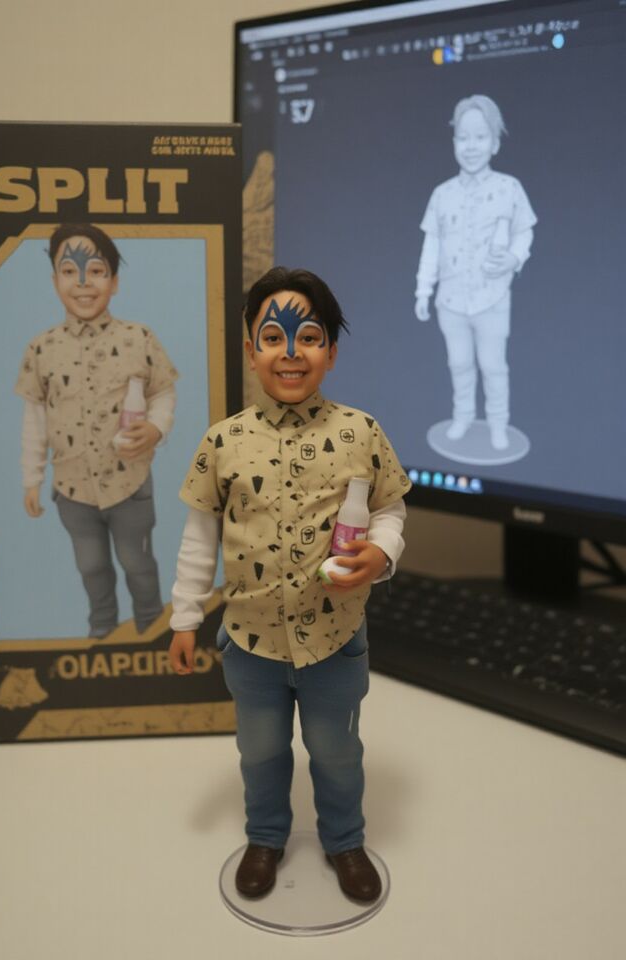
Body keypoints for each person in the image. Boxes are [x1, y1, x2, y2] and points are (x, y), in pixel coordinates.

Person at [169, 267, 411, 903]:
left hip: (335, 638)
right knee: (260, 750)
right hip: (250, 642)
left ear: (331, 351)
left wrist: (381, 553)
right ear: (252, 351)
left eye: (309, 336)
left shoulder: (361, 432)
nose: (291, 351)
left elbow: (389, 509)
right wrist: (185, 618)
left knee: (337, 750)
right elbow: (199, 537)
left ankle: (345, 840)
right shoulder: (223, 442)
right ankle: (266, 836)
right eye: (273, 336)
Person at [15, 223, 178, 638]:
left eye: (97, 271)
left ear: (115, 281)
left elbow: (162, 392)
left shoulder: (139, 338)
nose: (84, 282)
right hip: (73, 489)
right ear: (54, 280)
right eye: (70, 271)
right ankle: (102, 632)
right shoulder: (41, 348)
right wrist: (32, 478)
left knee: (138, 564)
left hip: (130, 485)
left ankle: (151, 629)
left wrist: (156, 428)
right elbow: (35, 418)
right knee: (91, 566)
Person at [415, 94, 537, 451]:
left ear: (495, 143)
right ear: (454, 142)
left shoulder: (509, 188)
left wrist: (514, 258)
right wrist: (423, 290)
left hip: (492, 299)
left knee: (493, 365)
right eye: (463, 137)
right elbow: (431, 246)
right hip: (451, 301)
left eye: (480, 137)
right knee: (459, 363)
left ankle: (498, 423)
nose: (471, 146)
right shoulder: (442, 194)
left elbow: (525, 231)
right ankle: (463, 416)